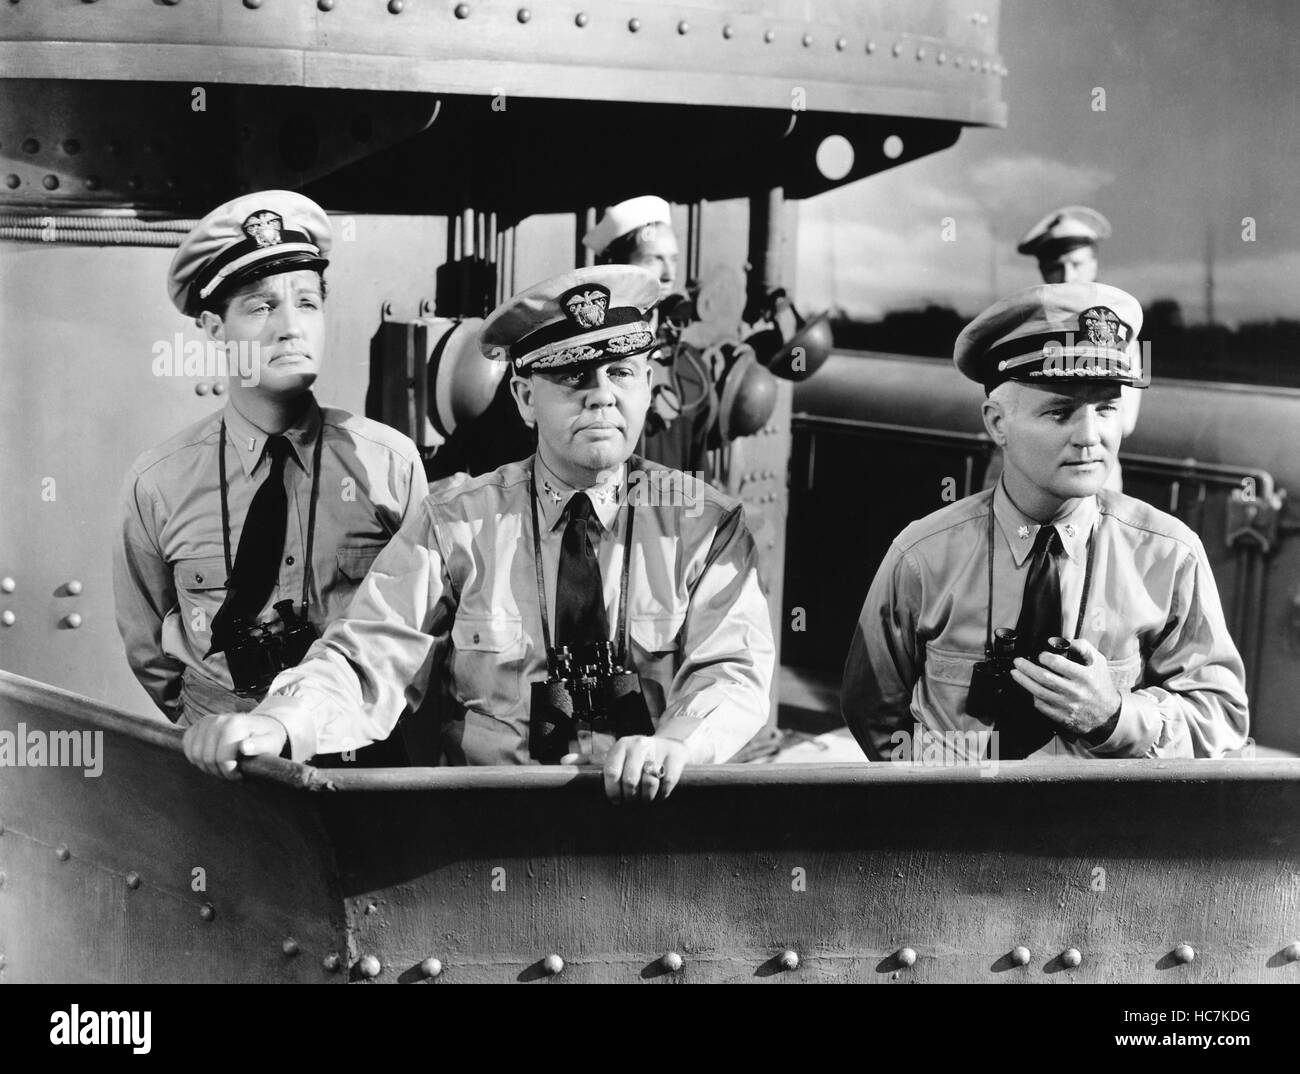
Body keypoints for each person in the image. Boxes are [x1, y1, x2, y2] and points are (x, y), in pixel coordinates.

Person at [183, 265, 775, 801]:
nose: (602, 394)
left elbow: (733, 668)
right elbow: (368, 653)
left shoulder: (705, 525)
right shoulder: (454, 522)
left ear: (647, 385)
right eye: (572, 376)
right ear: (524, 398)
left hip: (653, 813)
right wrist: (282, 719)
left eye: (621, 372)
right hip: (490, 828)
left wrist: (677, 740)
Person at [841, 282, 1249, 761]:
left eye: (1106, 408)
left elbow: (1222, 719)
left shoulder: (1167, 555)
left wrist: (1116, 717)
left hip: (1104, 831)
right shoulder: (923, 558)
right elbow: (873, 714)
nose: (1091, 436)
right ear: (997, 424)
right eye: (1060, 412)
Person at [114, 190, 428, 737]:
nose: (291, 327)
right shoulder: (158, 482)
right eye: (261, 308)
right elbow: (151, 652)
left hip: (357, 765)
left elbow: (421, 630)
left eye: (307, 303)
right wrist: (216, 723)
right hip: (224, 771)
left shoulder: (389, 466)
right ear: (214, 328)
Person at [584, 195, 715, 474]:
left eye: (673, 259)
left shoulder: (688, 367)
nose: (669, 274)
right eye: (653, 259)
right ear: (617, 263)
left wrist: (696, 516)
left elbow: (698, 473)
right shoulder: (579, 361)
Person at [1017, 206, 1141, 485]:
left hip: (1091, 471)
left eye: (1077, 264)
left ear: (1094, 265)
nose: (1066, 276)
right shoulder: (1021, 328)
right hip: (1025, 472)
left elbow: (1126, 421)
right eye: (1055, 267)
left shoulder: (1121, 327)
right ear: (1042, 271)